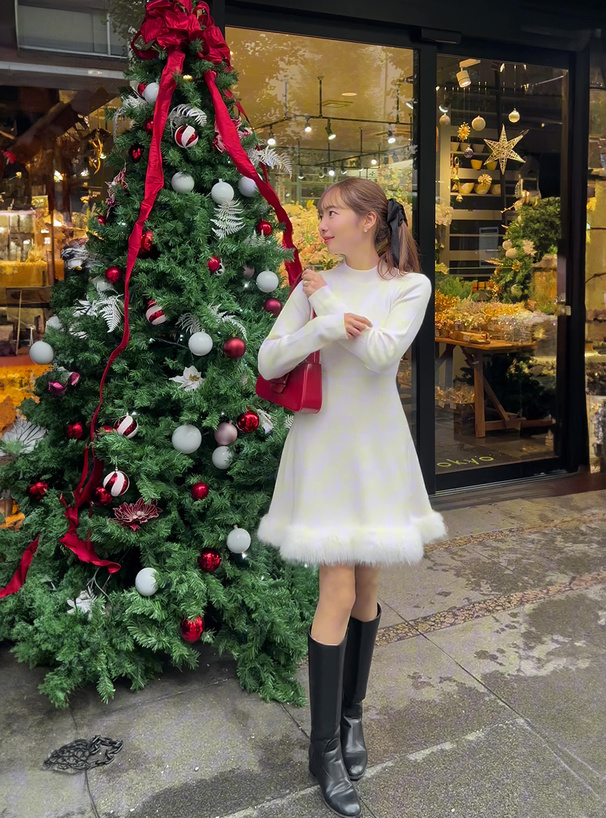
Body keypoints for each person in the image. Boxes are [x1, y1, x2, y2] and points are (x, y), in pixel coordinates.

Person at [256, 177, 447, 818]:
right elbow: (268, 361)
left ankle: (351, 715)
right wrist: (324, 324)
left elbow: (381, 356)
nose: (322, 221)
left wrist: (331, 308)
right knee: (336, 588)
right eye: (320, 212)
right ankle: (324, 749)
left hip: (376, 450)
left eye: (332, 211)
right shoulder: (312, 285)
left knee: (366, 588)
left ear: (368, 220)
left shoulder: (409, 286)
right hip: (324, 449)